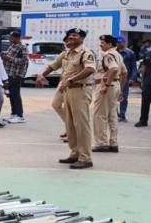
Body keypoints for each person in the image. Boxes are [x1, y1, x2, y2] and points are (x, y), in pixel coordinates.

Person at [36, 28, 96, 169]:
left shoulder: (86, 53)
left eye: (75, 35)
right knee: (70, 125)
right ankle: (75, 153)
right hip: (67, 90)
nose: (71, 37)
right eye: (70, 35)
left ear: (82, 38)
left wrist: (70, 80)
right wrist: (41, 74)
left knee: (81, 125)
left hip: (80, 90)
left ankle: (85, 158)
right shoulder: (66, 53)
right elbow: (52, 65)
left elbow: (90, 69)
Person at [92, 35, 128, 153]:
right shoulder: (118, 54)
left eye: (103, 43)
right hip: (115, 85)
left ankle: (102, 143)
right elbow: (124, 72)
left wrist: (106, 85)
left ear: (109, 44)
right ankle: (113, 143)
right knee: (112, 116)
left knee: (100, 115)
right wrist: (120, 89)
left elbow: (114, 69)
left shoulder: (108, 55)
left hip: (106, 85)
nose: (100, 44)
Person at [1, 31, 29, 124]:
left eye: (12, 37)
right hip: (9, 72)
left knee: (16, 94)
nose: (10, 39)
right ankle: (14, 113)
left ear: (17, 38)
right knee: (11, 94)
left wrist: (10, 59)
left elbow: (25, 60)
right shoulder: (12, 45)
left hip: (16, 73)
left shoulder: (22, 46)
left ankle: (20, 116)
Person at [52, 35, 72, 142]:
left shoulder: (83, 54)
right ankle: (69, 127)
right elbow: (57, 66)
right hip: (63, 83)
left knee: (71, 109)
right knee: (56, 104)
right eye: (66, 42)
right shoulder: (64, 53)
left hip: (74, 85)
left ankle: (72, 131)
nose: (68, 43)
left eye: (69, 41)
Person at [116, 35, 137, 123]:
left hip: (125, 78)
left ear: (124, 42)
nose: (118, 44)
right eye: (117, 42)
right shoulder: (114, 52)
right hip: (114, 78)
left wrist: (133, 77)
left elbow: (133, 66)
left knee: (124, 97)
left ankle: (122, 115)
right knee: (112, 97)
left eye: (120, 42)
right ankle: (114, 114)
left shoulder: (130, 53)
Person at [135, 43, 151, 127]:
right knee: (145, 102)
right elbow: (144, 68)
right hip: (148, 80)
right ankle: (143, 120)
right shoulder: (147, 54)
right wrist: (142, 81)